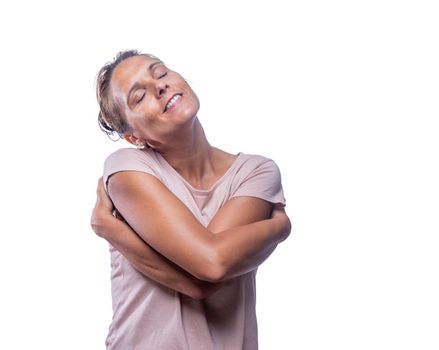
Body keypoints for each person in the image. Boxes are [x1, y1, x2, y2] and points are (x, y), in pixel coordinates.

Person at [90, 50, 291, 350]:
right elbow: (209, 266)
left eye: (160, 73)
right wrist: (279, 229)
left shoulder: (255, 172)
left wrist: (111, 229)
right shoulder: (127, 168)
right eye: (139, 96)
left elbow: (208, 269)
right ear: (133, 136)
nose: (160, 86)